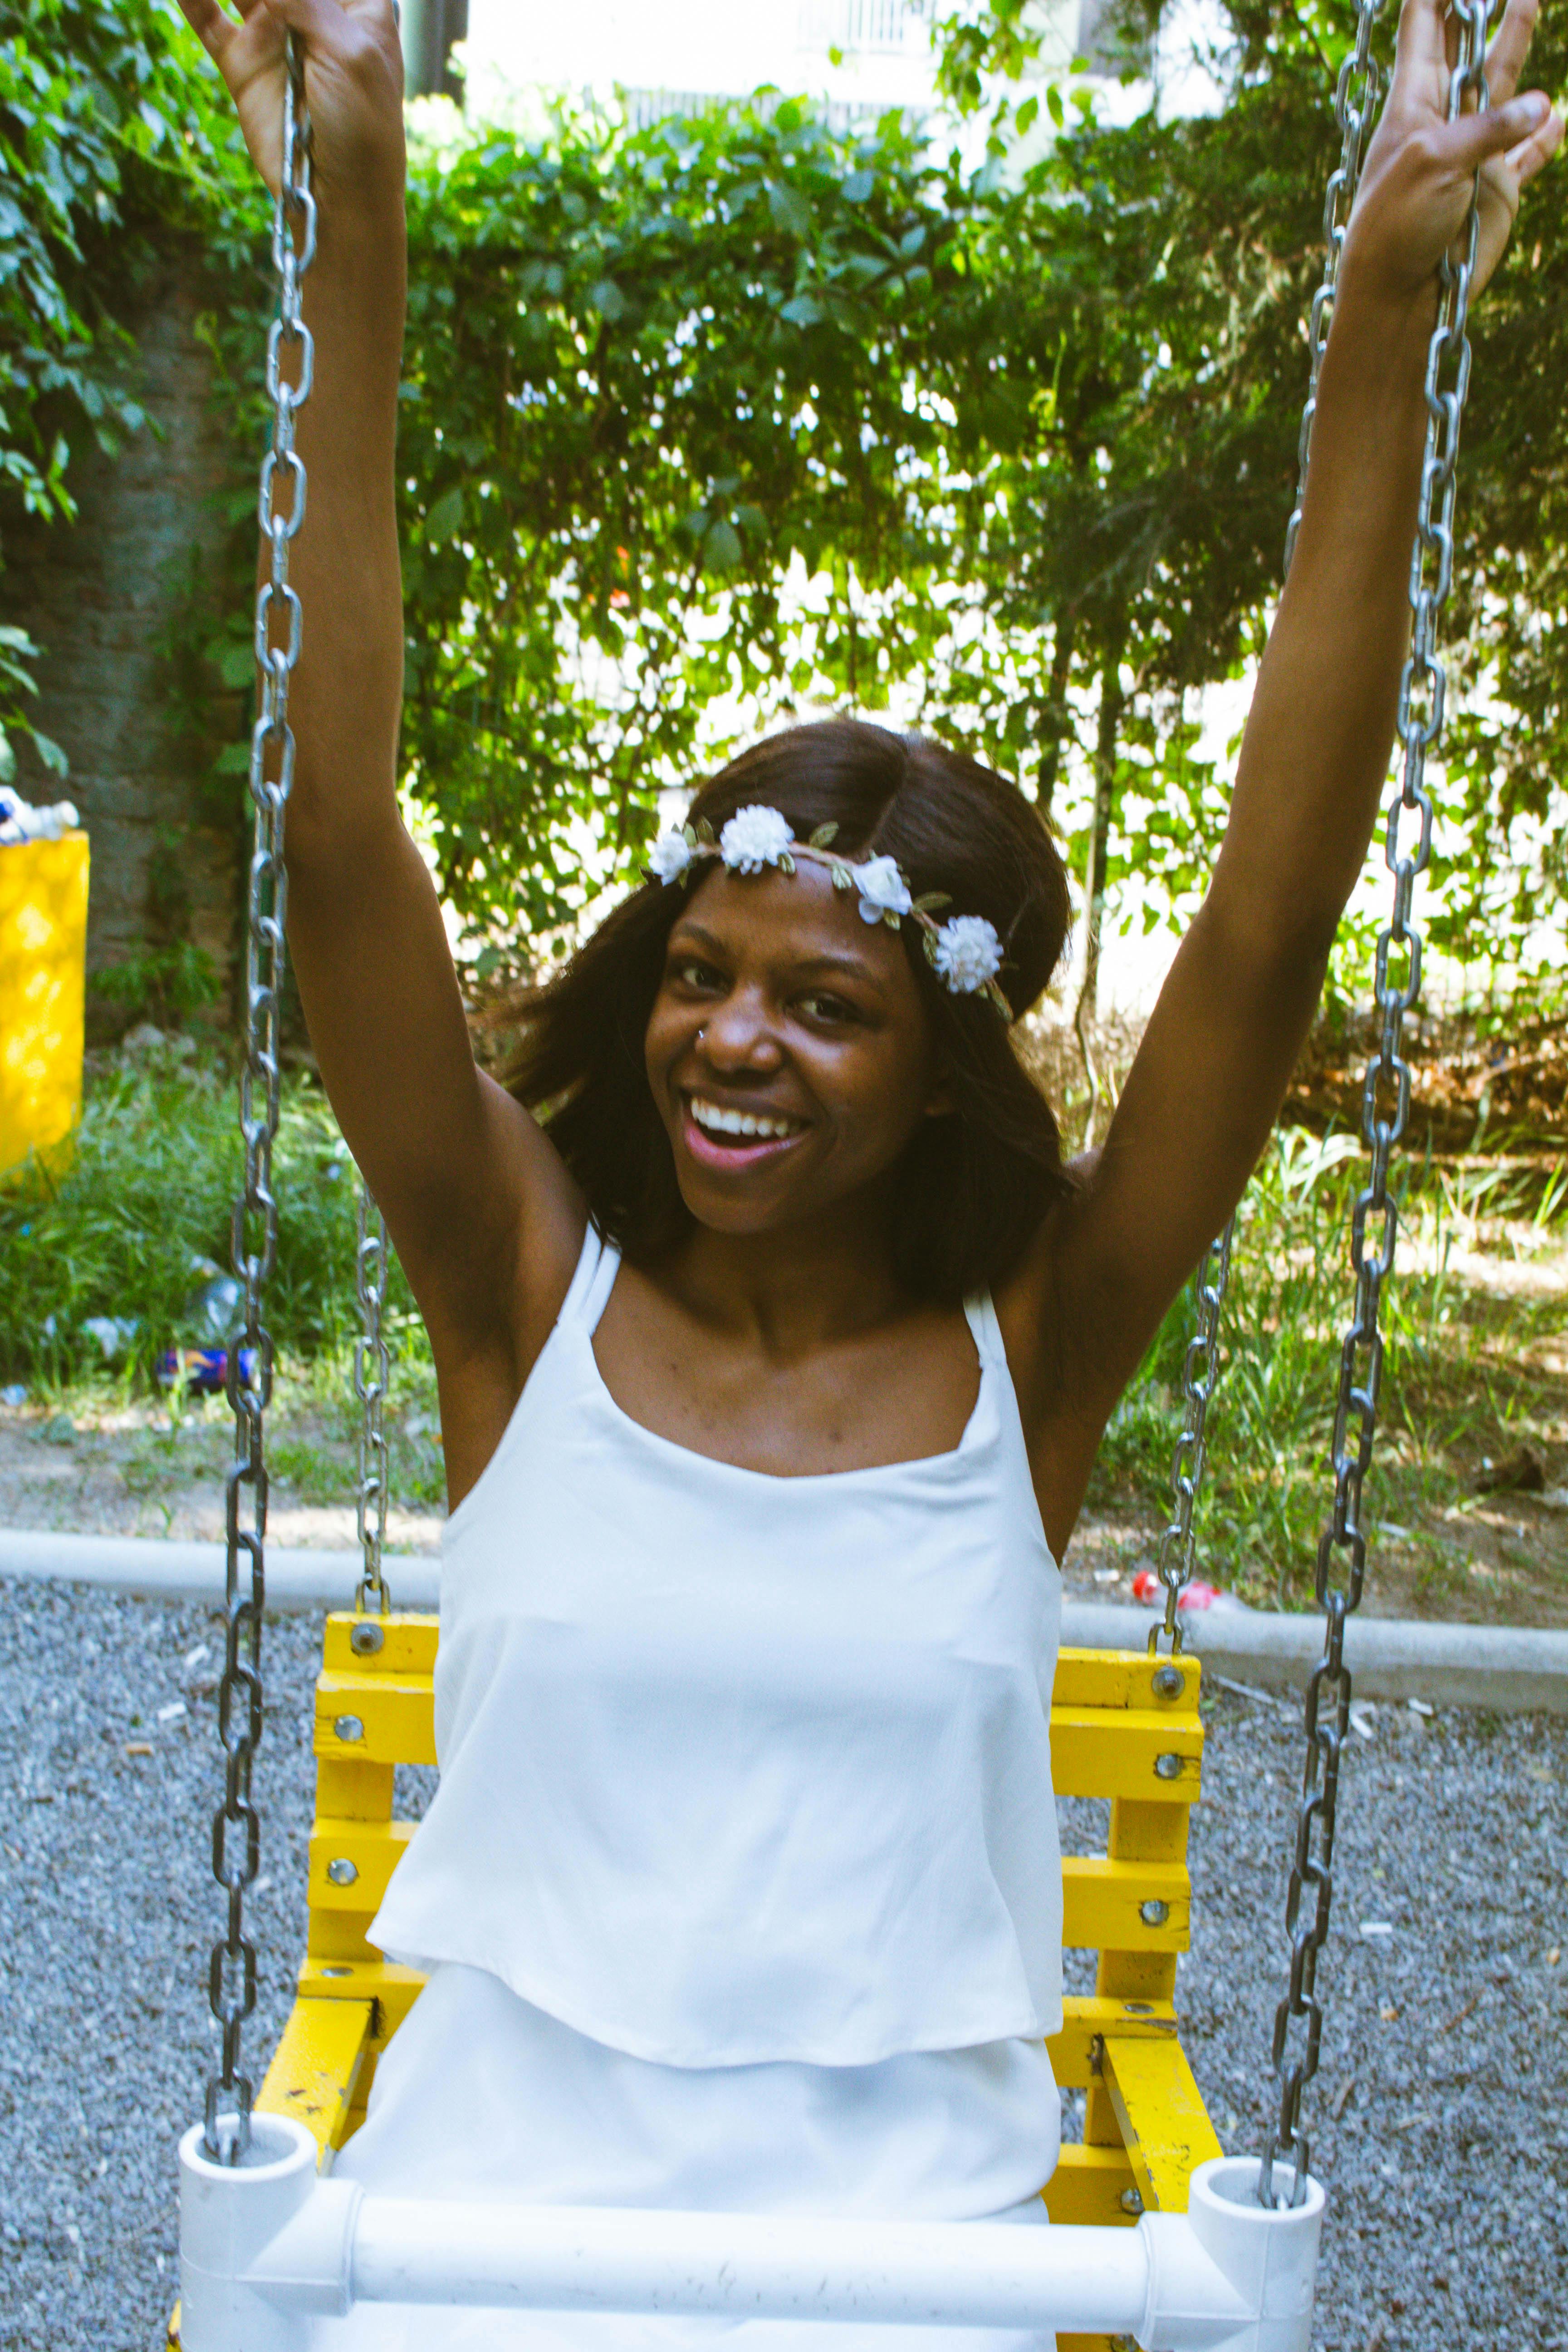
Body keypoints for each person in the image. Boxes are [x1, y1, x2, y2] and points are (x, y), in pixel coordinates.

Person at [178, 4, 1561, 2347]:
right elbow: (334, 838)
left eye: (825, 1006)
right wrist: (357, 202)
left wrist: (1385, 327)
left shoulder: (1039, 1339)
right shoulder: (523, 1287)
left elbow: (1264, 924)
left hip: (903, 2269)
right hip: (480, 2242)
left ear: (941, 1076)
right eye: (703, 973)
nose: (732, 1037)